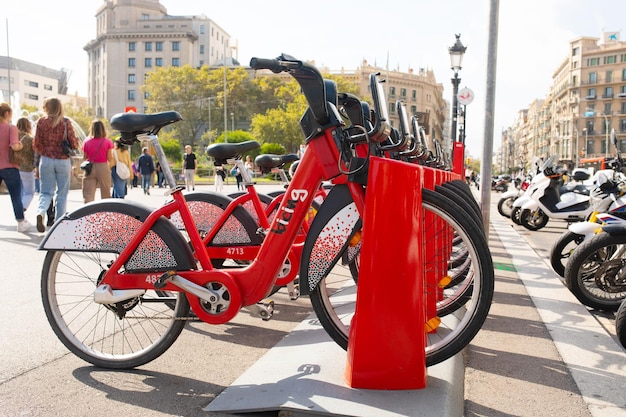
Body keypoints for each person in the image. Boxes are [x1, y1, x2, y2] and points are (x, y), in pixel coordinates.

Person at [33, 97, 79, 232]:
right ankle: (59, 225)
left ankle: (41, 212)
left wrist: (36, 165)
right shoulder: (65, 122)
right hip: (63, 160)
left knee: (46, 192)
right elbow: (74, 143)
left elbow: (37, 144)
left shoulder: (41, 122)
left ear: (47, 107)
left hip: (46, 159)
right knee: (62, 193)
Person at [0, 103, 32, 232]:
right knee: (15, 196)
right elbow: (14, 146)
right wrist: (20, 145)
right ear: (7, 114)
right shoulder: (11, 128)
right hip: (9, 167)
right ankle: (21, 223)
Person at [81, 120, 114, 203]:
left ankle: (87, 213)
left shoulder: (86, 142)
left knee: (88, 194)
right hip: (103, 167)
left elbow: (85, 157)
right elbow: (109, 158)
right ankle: (105, 212)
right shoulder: (107, 142)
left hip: (90, 168)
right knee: (106, 193)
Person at [16, 117, 36, 212]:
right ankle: (22, 209)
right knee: (29, 193)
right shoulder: (30, 139)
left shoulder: (13, 138)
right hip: (27, 169)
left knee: (19, 192)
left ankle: (19, 213)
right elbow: (35, 154)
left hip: (15, 168)